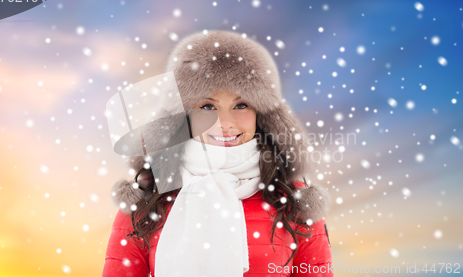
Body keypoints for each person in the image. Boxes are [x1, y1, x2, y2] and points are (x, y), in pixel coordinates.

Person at [103, 30, 333, 277]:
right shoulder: (147, 197)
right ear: (184, 116)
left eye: (241, 105)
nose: (225, 122)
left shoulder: (293, 199)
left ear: (262, 115)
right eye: (207, 106)